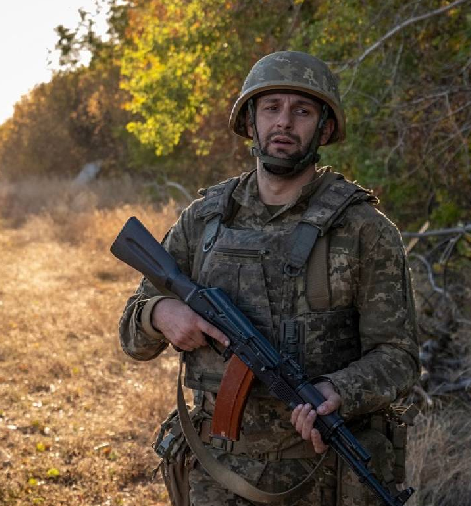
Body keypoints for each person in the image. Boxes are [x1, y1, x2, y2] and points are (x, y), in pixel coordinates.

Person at [118, 51, 420, 505]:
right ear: (250, 121)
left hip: (321, 478)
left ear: (325, 129)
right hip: (215, 474)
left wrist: (337, 390)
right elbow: (132, 337)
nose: (284, 122)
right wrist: (160, 314)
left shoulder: (363, 230)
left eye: (302, 111)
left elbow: (399, 357)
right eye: (271, 108)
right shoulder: (204, 221)